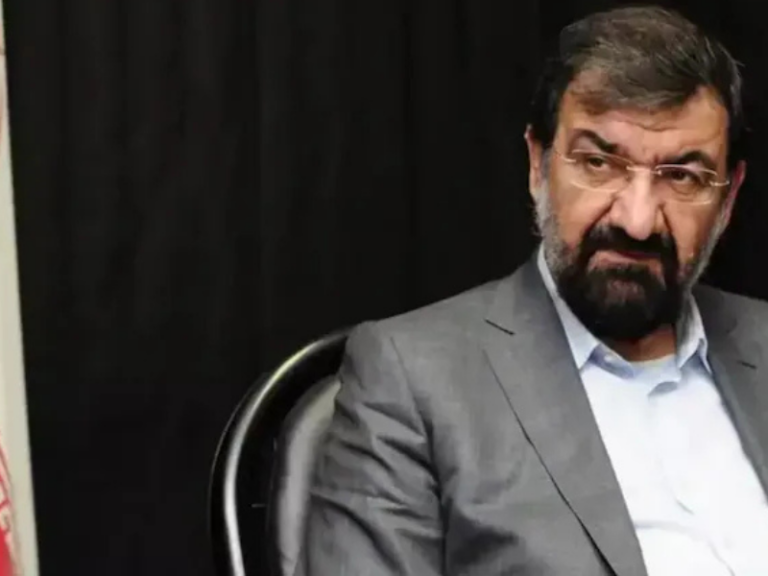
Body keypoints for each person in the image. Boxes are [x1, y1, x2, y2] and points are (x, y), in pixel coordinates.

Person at [297, 6, 768, 576]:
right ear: (538, 165)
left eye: (682, 176)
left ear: (729, 197)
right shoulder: (412, 380)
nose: (638, 220)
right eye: (599, 162)